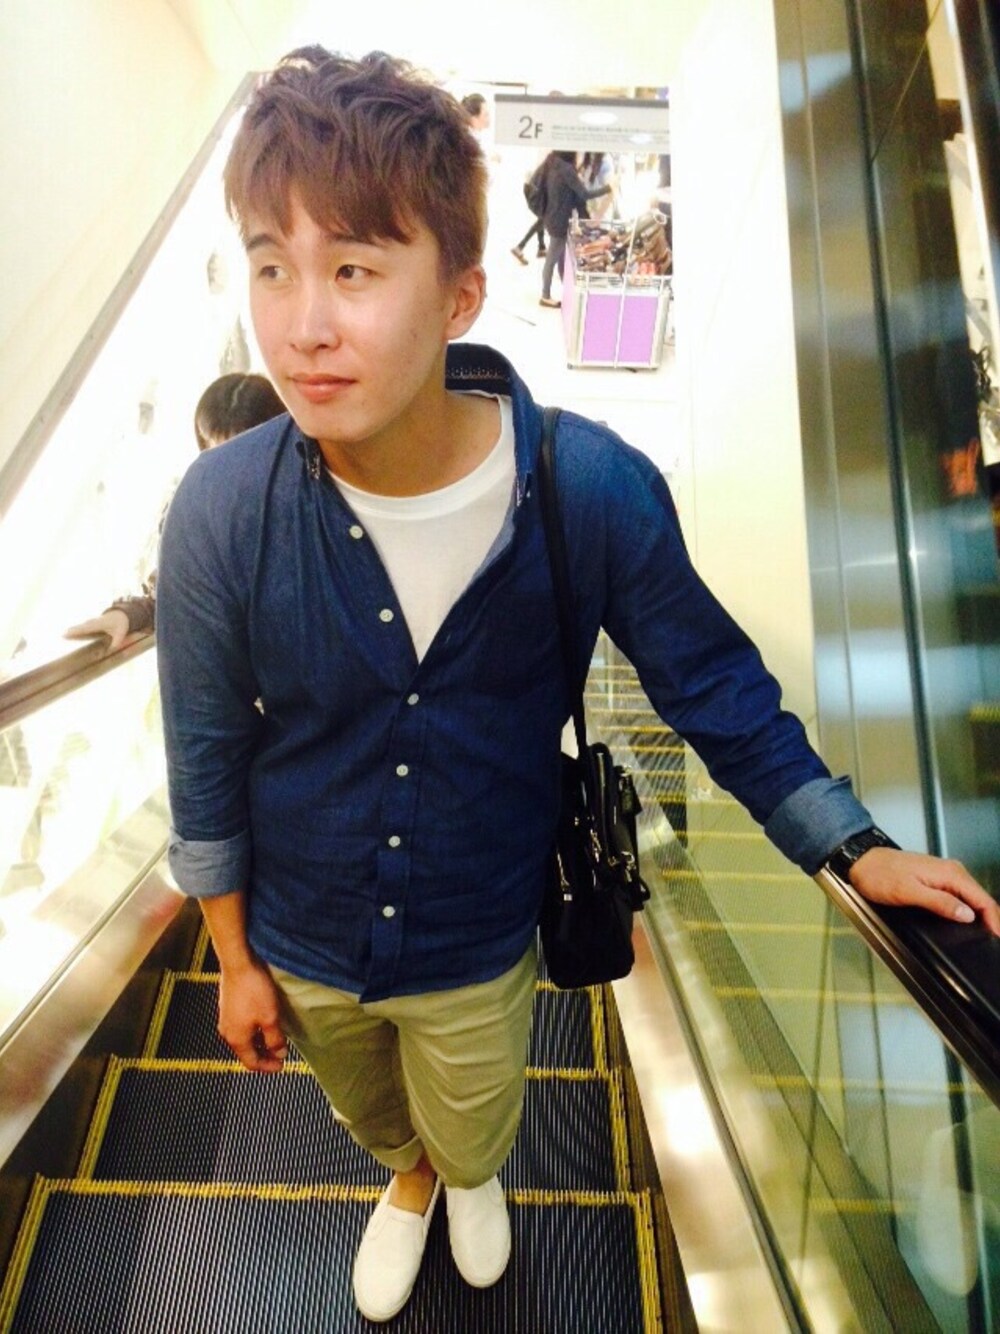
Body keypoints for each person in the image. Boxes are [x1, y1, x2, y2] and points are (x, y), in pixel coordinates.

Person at [154, 48, 1000, 1326]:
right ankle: (408, 1175)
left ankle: (466, 1169)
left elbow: (713, 686)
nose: (301, 324)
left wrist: (850, 845)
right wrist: (232, 957)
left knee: (476, 1108)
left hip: (479, 929)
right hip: (301, 927)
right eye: (271, 265)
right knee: (368, 1109)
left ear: (460, 294)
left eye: (354, 269)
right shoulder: (222, 509)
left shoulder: (589, 488)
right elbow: (206, 749)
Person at [65, 372, 284, 649]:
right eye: (214, 453)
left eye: (240, 453)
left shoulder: (310, 501)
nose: (227, 470)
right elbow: (177, 591)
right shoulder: (198, 512)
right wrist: (130, 615)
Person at [538, 150, 612, 308]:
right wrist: (608, 188)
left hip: (552, 215)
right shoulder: (567, 170)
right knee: (552, 258)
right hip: (559, 220)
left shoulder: (554, 164)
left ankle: (553, 290)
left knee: (555, 256)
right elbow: (584, 194)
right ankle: (545, 295)